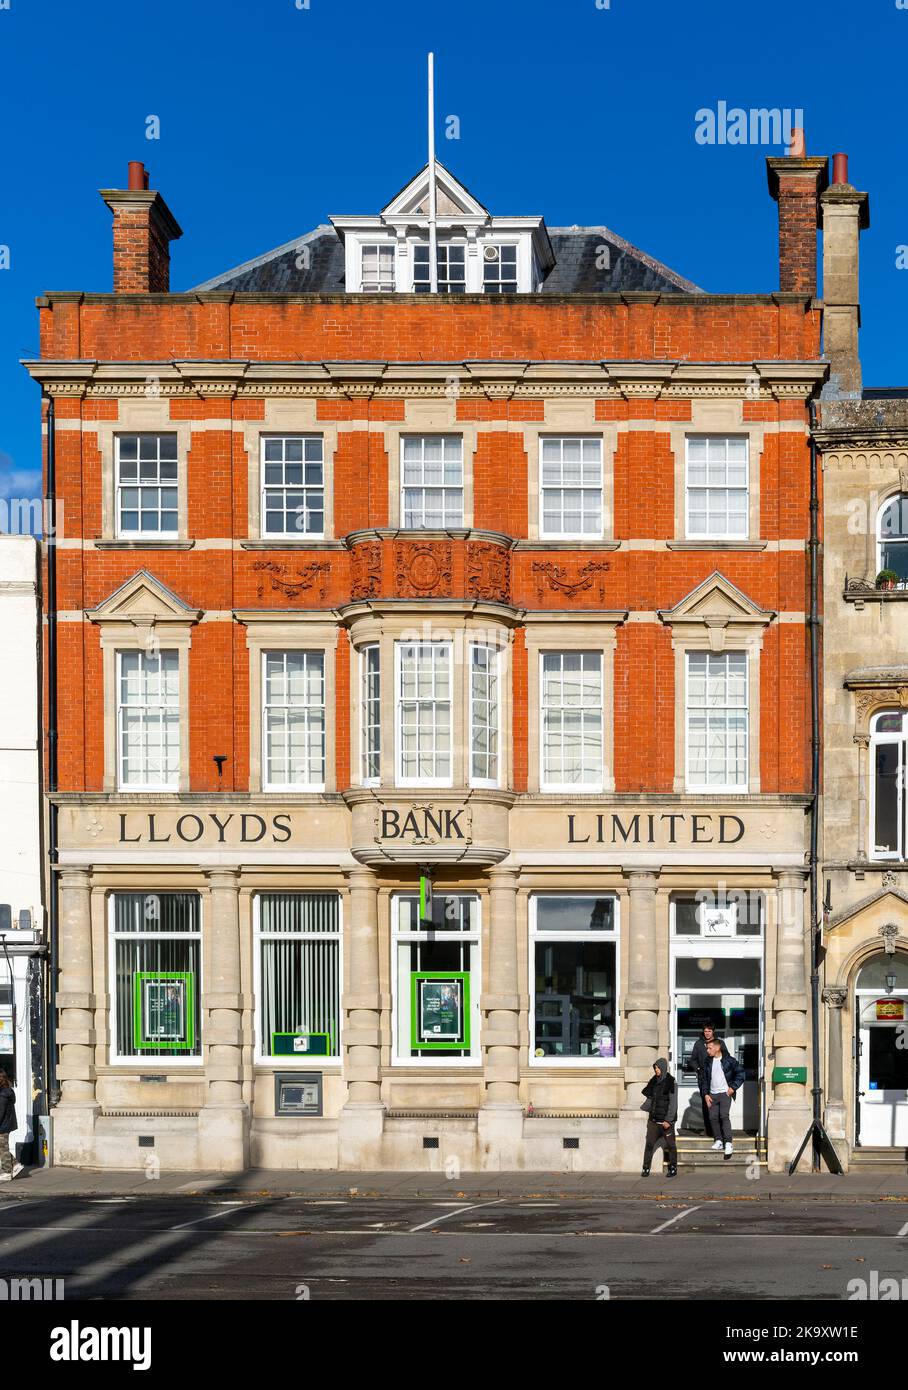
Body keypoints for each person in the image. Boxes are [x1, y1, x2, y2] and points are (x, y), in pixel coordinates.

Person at [700, 1039, 746, 1159]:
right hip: (712, 1095)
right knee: (713, 1117)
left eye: (709, 1048)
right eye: (707, 1048)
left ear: (717, 1048)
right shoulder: (707, 1062)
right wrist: (705, 1094)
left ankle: (728, 1143)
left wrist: (733, 1088)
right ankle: (719, 1141)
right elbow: (703, 1079)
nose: (707, 1050)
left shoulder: (729, 1060)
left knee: (724, 1116)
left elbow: (741, 1073)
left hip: (725, 1094)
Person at [640, 1057, 678, 1178]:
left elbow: (673, 1103)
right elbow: (650, 1099)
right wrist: (643, 1108)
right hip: (654, 1121)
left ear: (663, 1068)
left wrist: (669, 1120)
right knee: (649, 1144)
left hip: (666, 1122)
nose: (656, 1070)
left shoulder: (671, 1082)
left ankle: (673, 1168)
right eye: (655, 1068)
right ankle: (646, 1168)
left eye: (658, 1068)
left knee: (671, 1145)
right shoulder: (654, 1081)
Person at [688, 1023, 726, 1134]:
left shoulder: (720, 1043)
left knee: (719, 1103)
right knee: (706, 1104)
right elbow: (692, 1060)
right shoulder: (699, 1044)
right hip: (704, 1078)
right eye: (705, 1031)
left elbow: (726, 1057)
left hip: (718, 1078)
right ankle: (709, 1130)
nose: (707, 1033)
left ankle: (720, 1130)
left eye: (709, 1031)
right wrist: (698, 1069)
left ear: (713, 1031)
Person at [0, 1071, 22, 1181]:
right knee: (2, 1147)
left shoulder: (3, 1094)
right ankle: (16, 1164)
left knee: (3, 1148)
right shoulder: (7, 1092)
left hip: (2, 1125)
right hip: (6, 1123)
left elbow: (0, 1112)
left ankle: (6, 1172)